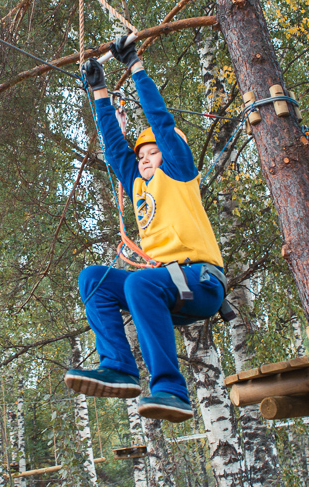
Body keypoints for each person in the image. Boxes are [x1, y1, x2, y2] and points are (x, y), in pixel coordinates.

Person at [64, 35, 230, 422]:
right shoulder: (137, 183)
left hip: (201, 282)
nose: (144, 159)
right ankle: (119, 365)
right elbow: (113, 147)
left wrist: (135, 66)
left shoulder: (178, 172)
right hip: (165, 287)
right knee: (93, 279)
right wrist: (99, 91)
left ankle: (171, 389)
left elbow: (161, 121)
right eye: (141, 155)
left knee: (140, 284)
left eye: (151, 152)